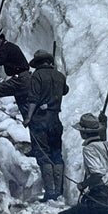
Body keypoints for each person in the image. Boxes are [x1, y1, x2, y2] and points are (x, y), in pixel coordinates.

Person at [22, 50, 69, 201]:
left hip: (40, 119)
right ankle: (59, 190)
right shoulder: (60, 75)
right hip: (55, 119)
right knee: (56, 153)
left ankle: (50, 191)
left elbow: (33, 98)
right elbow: (65, 91)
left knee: (43, 154)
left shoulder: (37, 75)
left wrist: (28, 118)